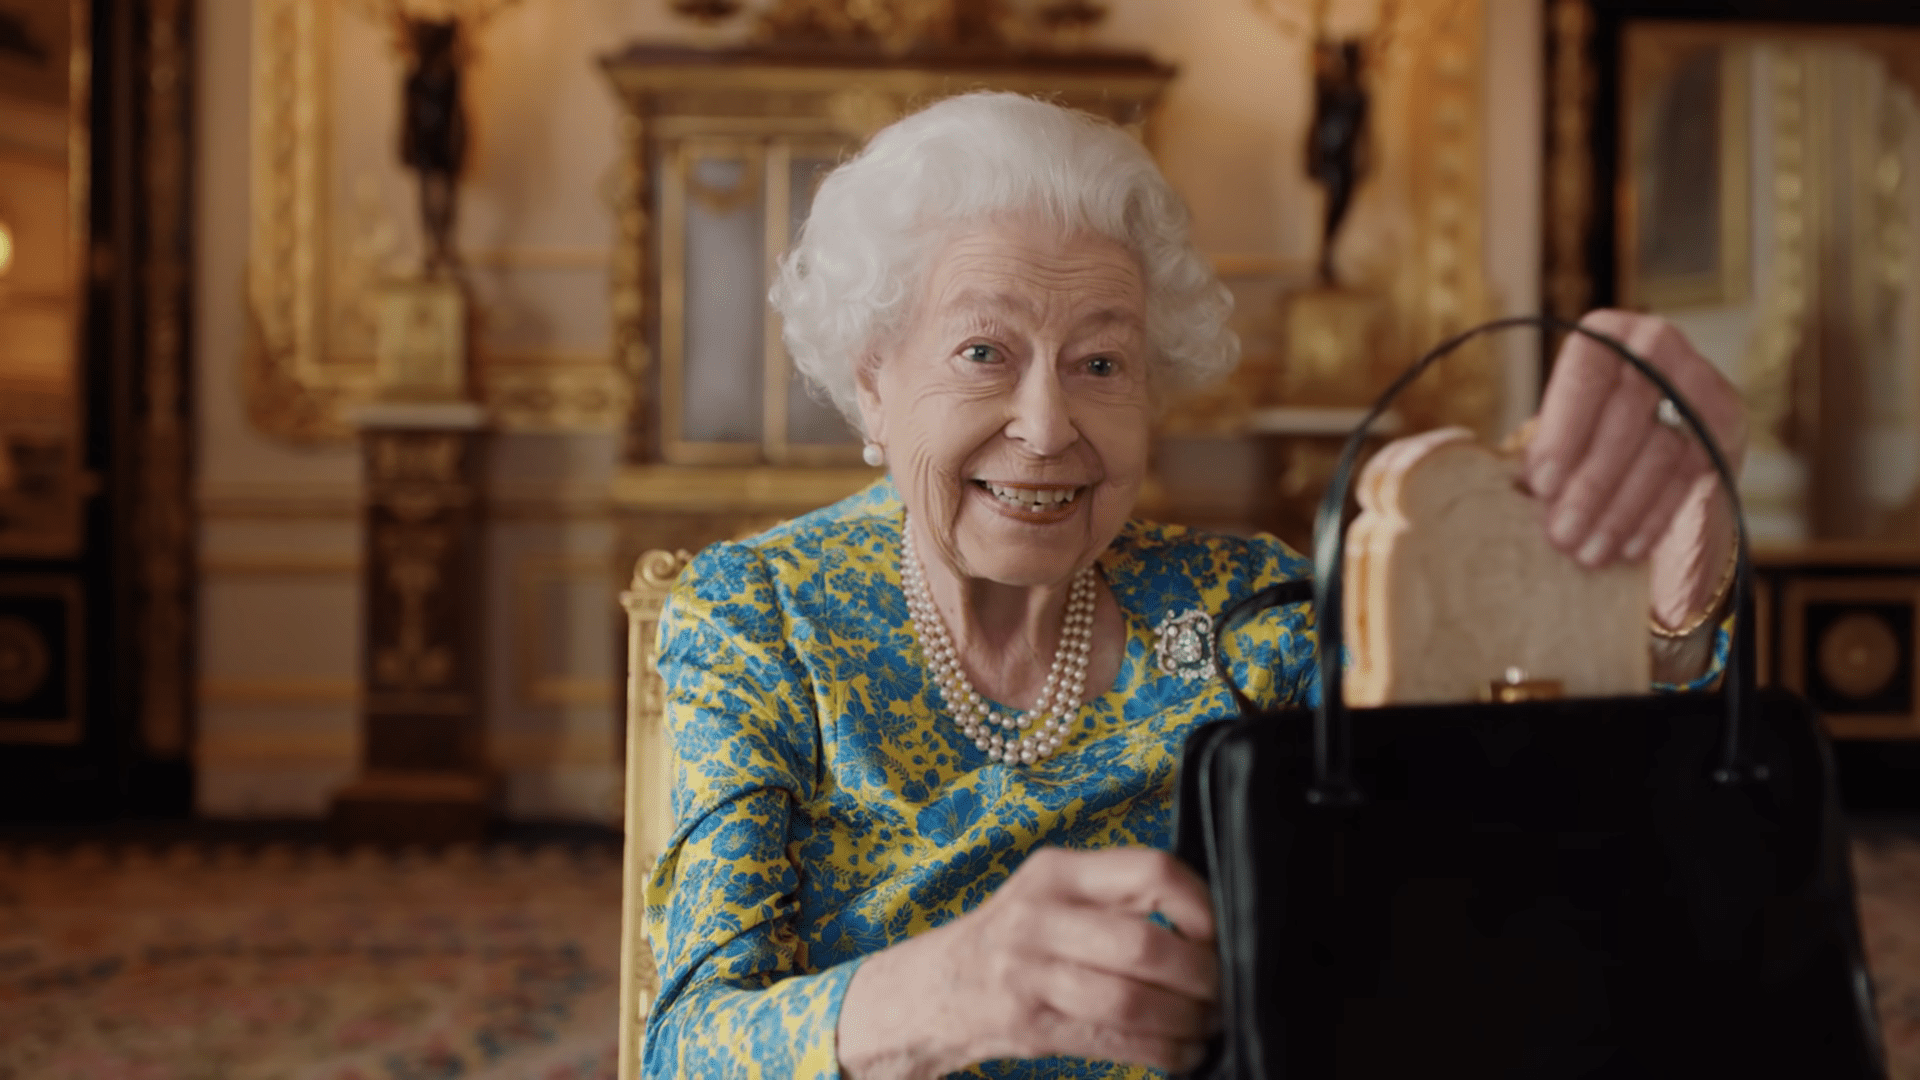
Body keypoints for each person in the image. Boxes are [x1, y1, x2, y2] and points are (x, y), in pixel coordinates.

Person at [641, 92, 1748, 1079]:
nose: (1045, 425)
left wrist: (1655, 619)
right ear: (875, 384)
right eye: (985, 352)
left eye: (1102, 363)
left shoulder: (1247, 613)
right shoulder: (759, 617)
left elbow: (1531, 847)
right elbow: (687, 1050)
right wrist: (952, 991)